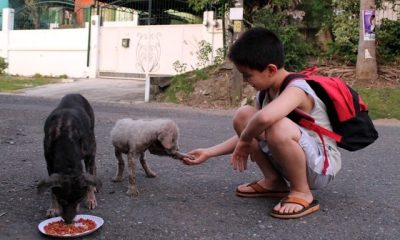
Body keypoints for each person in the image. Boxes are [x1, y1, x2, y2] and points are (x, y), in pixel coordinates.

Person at [182, 27, 341, 219]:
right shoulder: (265, 94)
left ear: (271, 69)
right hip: (295, 160)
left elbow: (265, 120)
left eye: (248, 75)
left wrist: (244, 141)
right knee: (244, 116)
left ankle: (301, 191)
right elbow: (250, 129)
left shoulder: (297, 89)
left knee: (275, 124)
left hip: (320, 167)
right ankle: (274, 182)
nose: (246, 81)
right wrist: (209, 152)